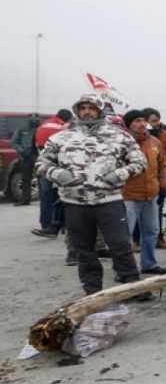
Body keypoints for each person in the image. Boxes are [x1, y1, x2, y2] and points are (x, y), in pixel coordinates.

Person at [36, 94, 151, 299]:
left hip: (109, 201)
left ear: (99, 110)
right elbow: (42, 163)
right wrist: (58, 174)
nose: (87, 111)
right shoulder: (62, 137)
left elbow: (139, 162)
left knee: (120, 246)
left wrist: (119, 174)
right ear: (77, 111)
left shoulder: (119, 136)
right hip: (75, 203)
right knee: (84, 250)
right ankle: (92, 292)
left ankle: (133, 288)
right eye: (83, 108)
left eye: (92, 107)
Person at [121, 110, 166, 275]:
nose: (141, 123)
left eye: (143, 120)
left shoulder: (155, 142)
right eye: (136, 121)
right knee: (124, 234)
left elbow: (162, 164)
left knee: (151, 231)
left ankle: (149, 264)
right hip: (128, 196)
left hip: (151, 194)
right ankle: (124, 270)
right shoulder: (121, 143)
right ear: (128, 125)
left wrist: (163, 182)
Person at [31, 108, 72, 238]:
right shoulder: (64, 128)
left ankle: (45, 225)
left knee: (45, 196)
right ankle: (61, 225)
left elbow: (34, 145)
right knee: (62, 196)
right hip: (59, 167)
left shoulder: (43, 125)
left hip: (43, 165)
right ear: (67, 119)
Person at [143, 108, 166, 250]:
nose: (156, 123)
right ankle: (137, 240)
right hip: (142, 181)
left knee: (158, 209)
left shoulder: (164, 135)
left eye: (157, 120)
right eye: (153, 121)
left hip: (160, 180)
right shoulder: (138, 137)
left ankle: (159, 238)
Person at [11, 116, 38, 206]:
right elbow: (14, 142)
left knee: (42, 179)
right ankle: (25, 200)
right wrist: (21, 151)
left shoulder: (41, 129)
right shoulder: (22, 129)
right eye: (32, 120)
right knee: (25, 179)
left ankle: (45, 201)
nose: (34, 121)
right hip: (25, 157)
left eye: (36, 120)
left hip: (39, 157)